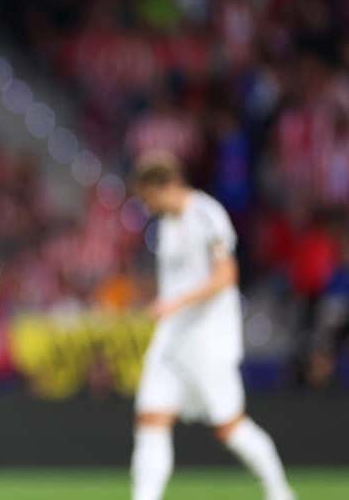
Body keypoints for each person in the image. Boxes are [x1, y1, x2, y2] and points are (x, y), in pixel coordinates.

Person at [129, 152, 293, 500]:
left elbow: (225, 276)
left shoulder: (206, 214)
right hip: (172, 337)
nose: (147, 205)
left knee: (229, 425)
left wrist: (173, 303)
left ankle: (279, 490)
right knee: (151, 418)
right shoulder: (166, 225)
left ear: (164, 186)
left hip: (207, 338)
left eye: (148, 197)